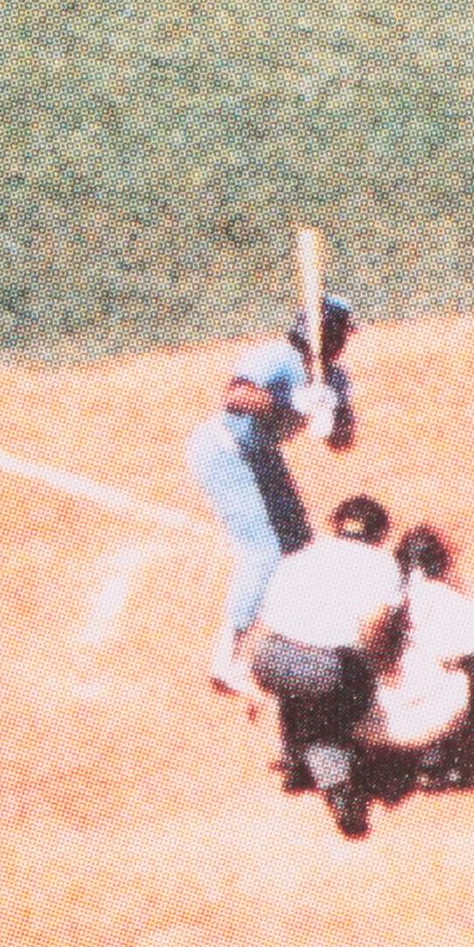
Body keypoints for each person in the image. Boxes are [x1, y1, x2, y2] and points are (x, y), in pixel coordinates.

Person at [186, 291, 356, 695]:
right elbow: (235, 396)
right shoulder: (276, 358)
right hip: (225, 454)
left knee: (298, 543)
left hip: (262, 456)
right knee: (263, 550)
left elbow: (344, 441)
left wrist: (329, 416)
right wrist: (289, 400)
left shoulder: (335, 378)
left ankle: (299, 634)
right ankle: (226, 660)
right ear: (329, 334)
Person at [249, 494, 407, 839]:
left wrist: (256, 688)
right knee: (330, 713)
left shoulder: (298, 558)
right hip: (322, 668)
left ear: (335, 526)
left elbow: (267, 625)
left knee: (300, 688)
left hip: (268, 658)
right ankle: (340, 790)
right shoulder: (382, 564)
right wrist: (374, 667)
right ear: (380, 533)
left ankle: (294, 761)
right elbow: (376, 625)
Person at [360, 523, 474, 792]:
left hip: (371, 726)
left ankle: (394, 765)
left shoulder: (373, 600)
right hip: (422, 725)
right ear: (438, 562)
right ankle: (470, 760)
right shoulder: (438, 595)